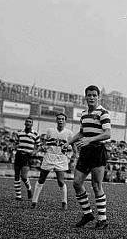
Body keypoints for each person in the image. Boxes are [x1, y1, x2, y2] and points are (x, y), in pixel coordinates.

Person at [68, 85, 112, 229]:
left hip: (98, 151)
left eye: (94, 95)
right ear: (85, 97)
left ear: (98, 97)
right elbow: (81, 133)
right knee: (76, 183)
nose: (91, 97)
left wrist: (90, 140)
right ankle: (87, 214)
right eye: (89, 95)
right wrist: (68, 143)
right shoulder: (84, 113)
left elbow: (107, 134)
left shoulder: (103, 113)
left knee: (96, 185)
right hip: (86, 152)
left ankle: (102, 220)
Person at [31, 113, 74, 210]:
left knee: (60, 181)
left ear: (65, 121)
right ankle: (34, 201)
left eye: (62, 119)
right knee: (42, 178)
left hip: (61, 158)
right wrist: (43, 147)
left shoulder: (69, 133)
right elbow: (44, 143)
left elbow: (73, 145)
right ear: (56, 120)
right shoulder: (50, 131)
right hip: (49, 156)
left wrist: (74, 155)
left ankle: (64, 202)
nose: (60, 120)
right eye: (59, 119)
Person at [13, 117, 38, 200]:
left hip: (27, 156)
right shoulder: (19, 133)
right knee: (16, 175)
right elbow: (15, 143)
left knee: (24, 176)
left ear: (32, 124)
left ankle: (29, 189)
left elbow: (38, 145)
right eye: (27, 121)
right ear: (25, 123)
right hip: (19, 155)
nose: (28, 123)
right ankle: (18, 196)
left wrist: (34, 151)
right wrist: (14, 148)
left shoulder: (35, 134)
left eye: (30, 122)